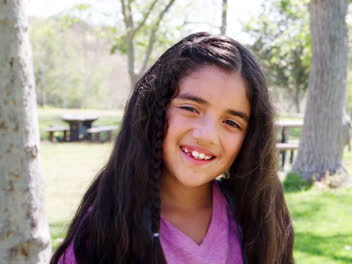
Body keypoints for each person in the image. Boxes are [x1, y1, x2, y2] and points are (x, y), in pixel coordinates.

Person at [50, 32, 294, 264]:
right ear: (156, 108)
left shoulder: (260, 223)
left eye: (231, 122)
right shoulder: (105, 231)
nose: (207, 135)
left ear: (250, 138)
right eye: (190, 108)